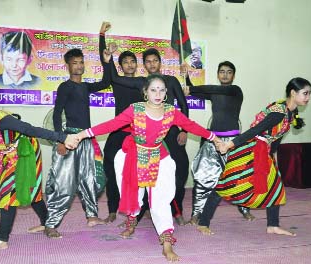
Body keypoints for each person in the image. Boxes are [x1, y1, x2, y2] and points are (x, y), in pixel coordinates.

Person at [69, 74, 220, 262]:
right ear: (145, 92)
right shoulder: (135, 109)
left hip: (159, 157)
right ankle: (131, 223)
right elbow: (111, 125)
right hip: (132, 156)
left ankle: (166, 244)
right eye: (153, 89)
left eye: (162, 90)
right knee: (133, 193)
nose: (157, 93)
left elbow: (192, 126)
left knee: (160, 200)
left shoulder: (171, 112)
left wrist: (215, 139)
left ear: (166, 93)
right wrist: (82, 134)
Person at [0, 85, 75, 254]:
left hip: (25, 151)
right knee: (19, 192)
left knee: (14, 191)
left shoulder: (2, 120)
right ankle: (46, 222)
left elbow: (31, 130)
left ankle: (1, 240)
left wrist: (62, 138)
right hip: (3, 156)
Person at [211, 77, 311, 236]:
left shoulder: (290, 112)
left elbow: (276, 139)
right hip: (251, 150)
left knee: (275, 187)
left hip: (264, 152)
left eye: (309, 94)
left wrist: (273, 159)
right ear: (293, 93)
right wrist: (228, 145)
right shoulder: (279, 112)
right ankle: (203, 221)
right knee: (229, 184)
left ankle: (273, 225)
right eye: (305, 93)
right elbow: (254, 131)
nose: (308, 97)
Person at [111, 48, 189, 225]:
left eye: (155, 60)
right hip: (149, 136)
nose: (152, 64)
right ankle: (138, 212)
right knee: (142, 175)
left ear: (160, 62)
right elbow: (115, 79)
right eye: (148, 61)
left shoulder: (171, 80)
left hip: (171, 133)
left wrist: (184, 130)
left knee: (180, 169)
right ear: (144, 64)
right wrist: (107, 58)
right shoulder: (142, 82)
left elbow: (184, 106)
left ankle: (177, 211)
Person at [44, 47, 111, 238]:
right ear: (68, 66)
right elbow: (57, 114)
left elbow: (106, 82)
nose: (79, 66)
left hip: (86, 139)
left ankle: (92, 216)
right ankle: (51, 224)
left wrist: (106, 61)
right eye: (75, 63)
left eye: (81, 62)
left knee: (89, 179)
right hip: (70, 139)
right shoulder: (65, 87)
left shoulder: (85, 86)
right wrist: (60, 139)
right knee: (64, 183)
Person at [182, 61, 255, 226]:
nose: (225, 75)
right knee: (202, 178)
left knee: (239, 177)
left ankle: (244, 209)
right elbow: (196, 92)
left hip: (232, 143)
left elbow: (212, 89)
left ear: (233, 75)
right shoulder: (215, 93)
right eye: (222, 72)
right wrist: (187, 77)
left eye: (229, 72)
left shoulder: (235, 91)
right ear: (218, 74)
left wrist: (192, 89)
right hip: (213, 142)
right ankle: (196, 214)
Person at [99, 22, 144, 224]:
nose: (129, 64)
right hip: (118, 131)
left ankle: (140, 208)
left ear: (136, 64)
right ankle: (112, 208)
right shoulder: (116, 81)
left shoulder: (144, 84)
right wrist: (102, 36)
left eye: (132, 61)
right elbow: (106, 65)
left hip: (138, 133)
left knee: (140, 172)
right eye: (125, 62)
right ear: (121, 66)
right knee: (109, 166)